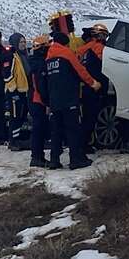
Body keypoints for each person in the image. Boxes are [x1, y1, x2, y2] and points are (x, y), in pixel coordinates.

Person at [45, 23, 102, 170]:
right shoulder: (66, 53)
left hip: (54, 100)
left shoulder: (49, 57)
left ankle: (54, 160)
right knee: (73, 129)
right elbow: (80, 70)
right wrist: (93, 83)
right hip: (69, 97)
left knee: (56, 131)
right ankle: (76, 159)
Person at [79, 23, 110, 154]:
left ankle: (83, 143)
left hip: (83, 87)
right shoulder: (99, 48)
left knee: (85, 118)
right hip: (94, 87)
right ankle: (84, 145)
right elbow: (106, 63)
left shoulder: (83, 49)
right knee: (90, 119)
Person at [27, 35, 51, 168]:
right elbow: (40, 85)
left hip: (34, 99)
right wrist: (46, 102)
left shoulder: (33, 61)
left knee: (39, 129)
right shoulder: (39, 64)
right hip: (38, 100)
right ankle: (37, 157)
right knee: (38, 129)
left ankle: (38, 156)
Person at [6, 33, 31, 150]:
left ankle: (19, 138)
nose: (23, 44)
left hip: (24, 90)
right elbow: (7, 74)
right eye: (21, 42)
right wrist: (13, 90)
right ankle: (13, 140)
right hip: (14, 92)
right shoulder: (11, 56)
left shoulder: (25, 55)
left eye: (24, 42)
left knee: (22, 116)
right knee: (15, 116)